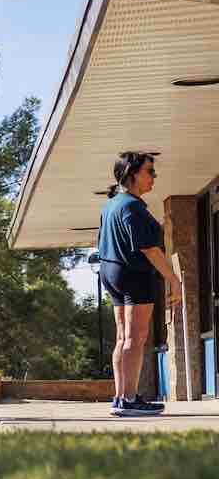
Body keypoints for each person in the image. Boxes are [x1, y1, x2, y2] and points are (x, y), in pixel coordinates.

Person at [97, 151, 181, 416]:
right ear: (132, 175)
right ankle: (130, 399)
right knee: (136, 337)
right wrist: (174, 280)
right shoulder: (132, 207)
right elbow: (150, 249)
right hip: (133, 275)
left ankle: (121, 397)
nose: (153, 177)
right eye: (149, 171)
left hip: (111, 272)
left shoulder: (111, 205)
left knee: (123, 337)